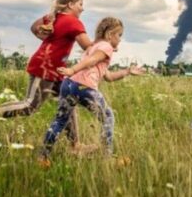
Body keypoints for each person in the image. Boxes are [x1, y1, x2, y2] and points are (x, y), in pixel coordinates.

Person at [0, 0, 93, 151]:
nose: (82, 8)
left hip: (57, 71)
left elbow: (33, 27)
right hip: (44, 68)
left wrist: (44, 36)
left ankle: (75, 145)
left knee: (69, 102)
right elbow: (88, 47)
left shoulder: (53, 18)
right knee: (30, 105)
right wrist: (106, 46)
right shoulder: (73, 22)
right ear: (70, 4)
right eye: (80, 4)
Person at [39, 17, 144, 164]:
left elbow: (109, 77)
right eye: (119, 35)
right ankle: (107, 158)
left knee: (60, 120)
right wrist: (72, 69)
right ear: (109, 34)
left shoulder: (94, 47)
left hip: (68, 84)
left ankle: (43, 157)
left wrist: (128, 71)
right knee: (108, 116)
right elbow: (92, 60)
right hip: (83, 86)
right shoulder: (106, 47)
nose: (120, 40)